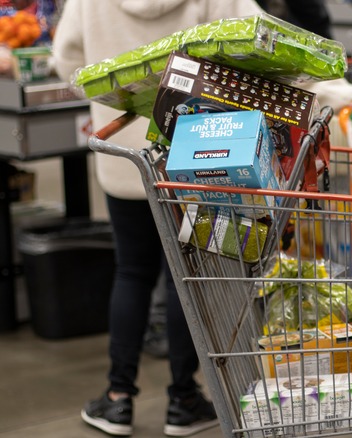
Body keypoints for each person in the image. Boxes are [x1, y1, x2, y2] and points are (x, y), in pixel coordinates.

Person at [52, 0, 263, 436]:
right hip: (191, 153)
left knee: (130, 272)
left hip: (121, 152)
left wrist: (112, 99)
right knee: (184, 279)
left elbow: (66, 59)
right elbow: (256, 38)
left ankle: (117, 399)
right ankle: (184, 400)